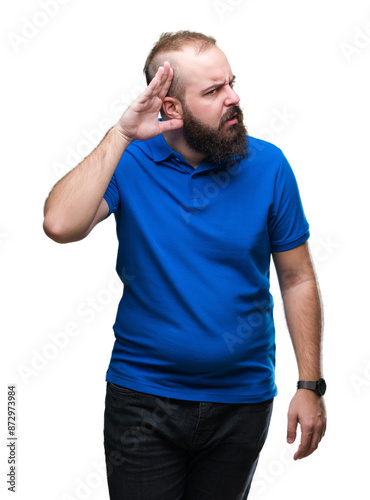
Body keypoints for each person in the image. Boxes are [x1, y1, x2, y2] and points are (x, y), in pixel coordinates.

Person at [43, 30, 327, 500]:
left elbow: (297, 278)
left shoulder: (269, 165)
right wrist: (121, 134)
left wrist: (310, 384)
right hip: (143, 400)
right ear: (171, 108)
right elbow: (59, 224)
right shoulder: (130, 161)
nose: (234, 99)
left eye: (231, 83)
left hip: (243, 401)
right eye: (214, 91)